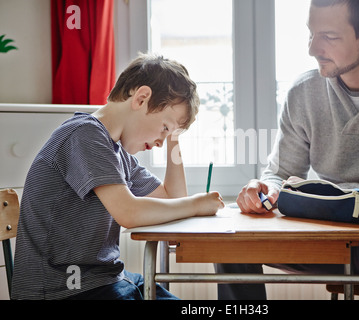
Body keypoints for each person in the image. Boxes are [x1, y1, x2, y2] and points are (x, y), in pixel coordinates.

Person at [216, 0, 359, 300]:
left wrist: (337, 202)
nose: (313, 48)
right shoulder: (303, 92)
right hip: (327, 235)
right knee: (232, 231)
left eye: (329, 36)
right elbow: (282, 174)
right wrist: (265, 189)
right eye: (311, 34)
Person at [11, 53, 225, 300]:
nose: (160, 142)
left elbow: (172, 198)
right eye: (165, 128)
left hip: (102, 280)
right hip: (63, 290)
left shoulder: (117, 153)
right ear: (142, 98)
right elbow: (130, 213)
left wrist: (174, 137)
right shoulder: (84, 135)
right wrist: (197, 204)